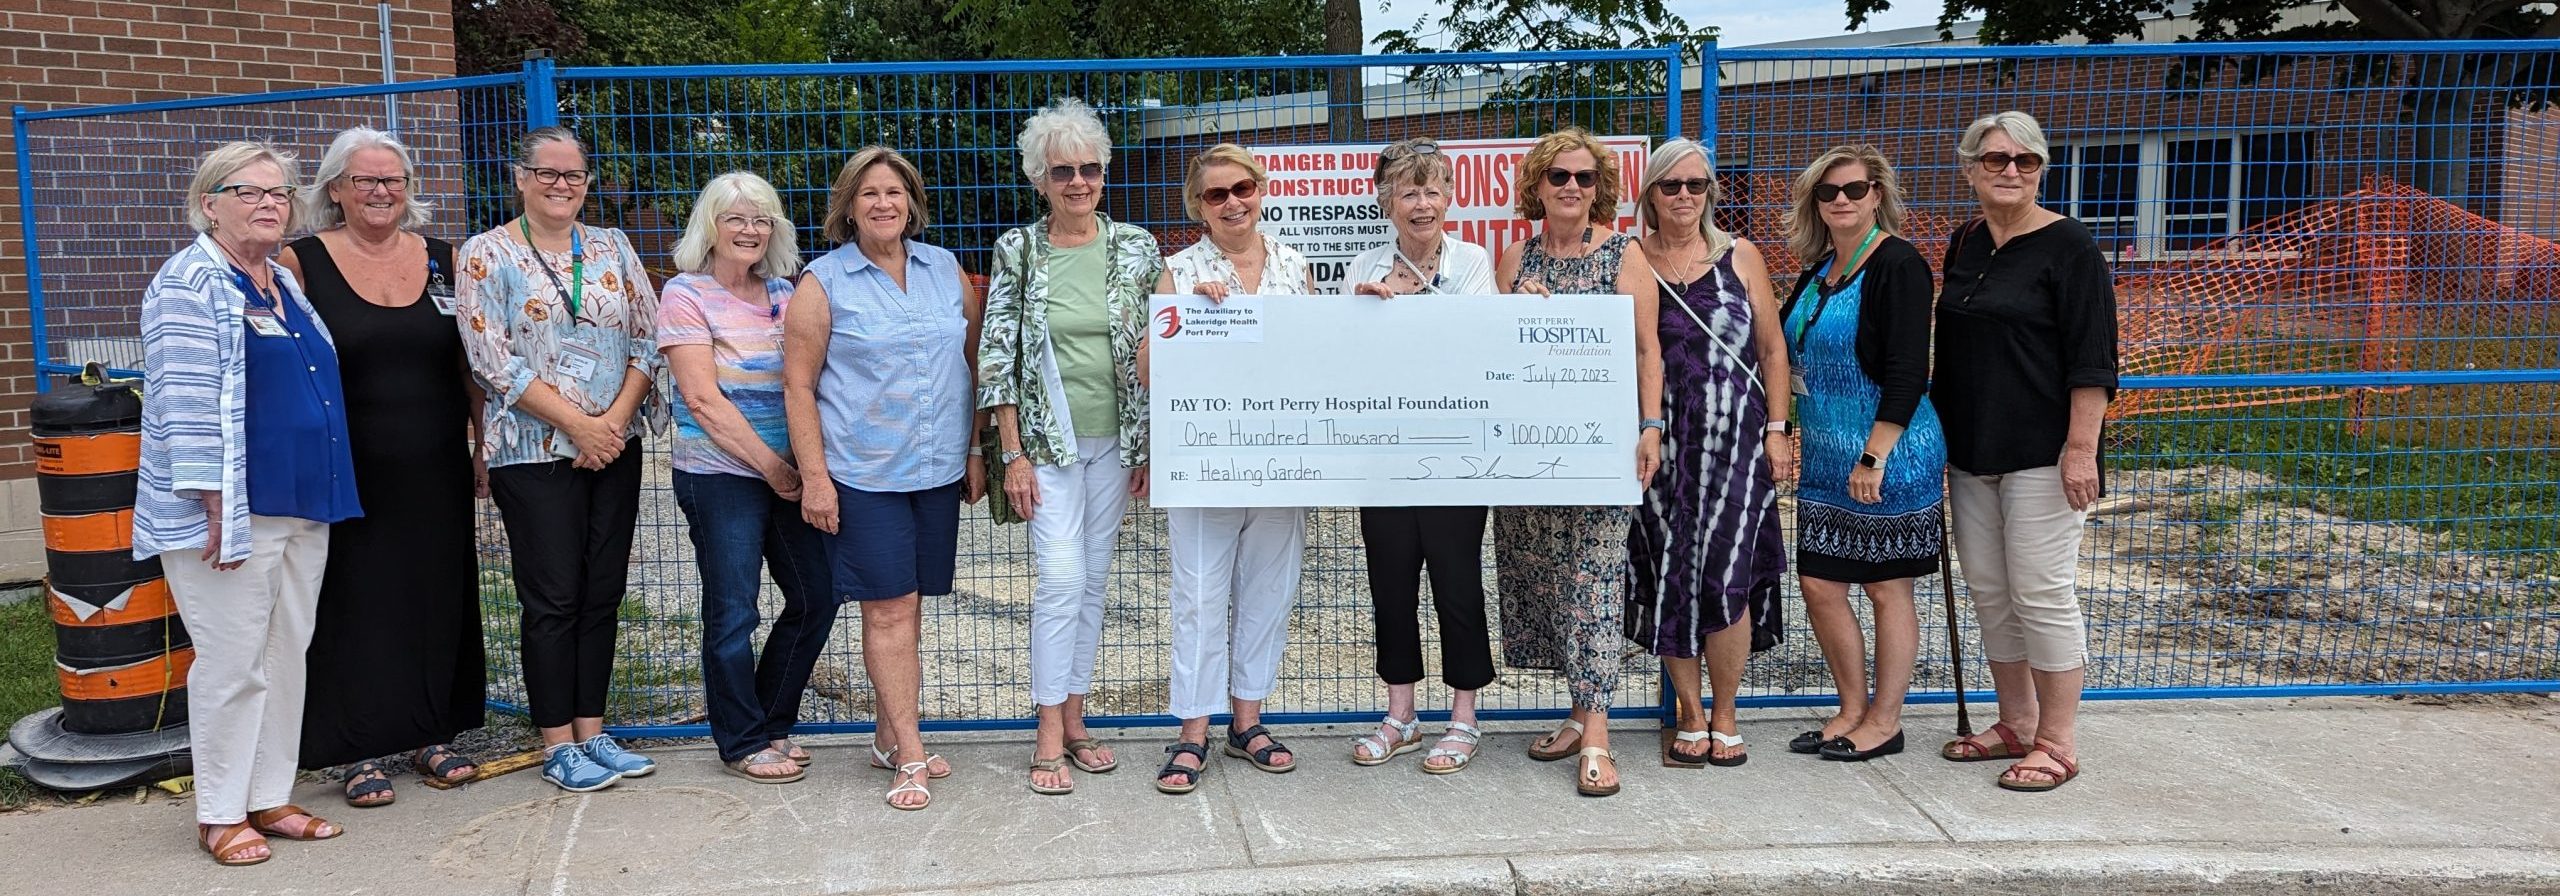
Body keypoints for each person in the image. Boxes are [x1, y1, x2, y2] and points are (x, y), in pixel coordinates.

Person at [136, 140, 358, 865]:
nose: (271, 203)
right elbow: (184, 404)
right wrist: (210, 501)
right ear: (210, 204)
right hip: (230, 510)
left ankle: (270, 795)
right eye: (250, 192)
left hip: (302, 500)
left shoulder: (278, 282)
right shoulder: (189, 281)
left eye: (281, 193)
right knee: (233, 662)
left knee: (286, 652)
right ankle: (219, 812)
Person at [278, 127, 485, 808]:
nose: (379, 192)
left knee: (435, 590)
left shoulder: (443, 260)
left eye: (392, 179)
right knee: (354, 599)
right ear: (335, 188)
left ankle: (432, 732)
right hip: (344, 465)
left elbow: (470, 366)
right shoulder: (299, 261)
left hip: (435, 460)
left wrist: (482, 446)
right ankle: (359, 747)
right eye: (364, 180)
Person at [455, 126, 667, 793]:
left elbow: (648, 337)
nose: (560, 185)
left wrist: (612, 424)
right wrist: (579, 425)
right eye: (546, 173)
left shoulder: (612, 246)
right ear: (521, 178)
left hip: (613, 445)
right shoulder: (485, 254)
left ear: (586, 182)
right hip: (533, 451)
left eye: (573, 175)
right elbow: (491, 360)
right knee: (553, 598)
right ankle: (556, 743)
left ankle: (592, 729)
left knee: (601, 592)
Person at [783, 147, 987, 810]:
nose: (882, 204)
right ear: (849, 205)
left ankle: (884, 735)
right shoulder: (824, 281)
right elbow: (799, 384)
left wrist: (976, 450)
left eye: (893, 192)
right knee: (889, 607)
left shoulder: (945, 271)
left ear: (911, 202)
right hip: (863, 474)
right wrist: (814, 476)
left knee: (911, 605)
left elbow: (972, 361)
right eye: (868, 193)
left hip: (933, 470)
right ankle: (909, 751)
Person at [978, 97, 1165, 796]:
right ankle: (1048, 732)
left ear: (1104, 173)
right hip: (1047, 447)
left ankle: (1077, 719)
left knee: (1090, 582)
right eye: (1064, 172)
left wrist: (1148, 447)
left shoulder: (1138, 248)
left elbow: (1166, 333)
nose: (1079, 182)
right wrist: (1012, 453)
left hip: (1117, 447)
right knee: (1059, 580)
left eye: (1089, 169)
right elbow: (997, 354)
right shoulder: (1018, 250)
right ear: (1040, 179)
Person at [1934, 111, 2118, 792]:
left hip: (2044, 452)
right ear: (1970, 168)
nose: (2011, 171)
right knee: (1991, 591)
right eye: (1995, 159)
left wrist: (2081, 451)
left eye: (2026, 160)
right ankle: (2014, 721)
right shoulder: (1966, 242)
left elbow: (2094, 361)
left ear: (2042, 169)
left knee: (2041, 591)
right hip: (1971, 449)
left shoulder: (2070, 247)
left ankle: (2057, 740)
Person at [1492, 127, 1664, 797]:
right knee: (1551, 584)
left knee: (1595, 583)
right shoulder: (1513, 260)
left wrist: (1650, 427)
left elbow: (1647, 350)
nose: (1571, 187)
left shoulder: (1624, 255)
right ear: (1536, 185)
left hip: (1602, 452)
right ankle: (1575, 711)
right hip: (1529, 455)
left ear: (1602, 189)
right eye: (1559, 176)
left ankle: (1597, 734)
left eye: (1584, 178)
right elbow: (1493, 354)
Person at [1140, 144, 1311, 795]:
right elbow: (1150, 373)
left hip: (1283, 457)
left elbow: (1317, 358)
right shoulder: (1179, 272)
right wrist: (1188, 321)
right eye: (1217, 195)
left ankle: (1248, 721)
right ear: (1199, 207)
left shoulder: (1295, 265)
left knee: (1269, 590)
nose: (1233, 202)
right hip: (1206, 460)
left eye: (1242, 188)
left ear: (1261, 189)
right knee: (1200, 596)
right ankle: (1192, 730)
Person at [660, 171, 834, 789]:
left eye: (761, 218)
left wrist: (804, 470)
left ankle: (769, 720)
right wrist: (776, 469)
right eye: (735, 218)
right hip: (722, 475)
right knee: (734, 612)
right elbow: (703, 401)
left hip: (790, 473)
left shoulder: (788, 292)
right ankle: (740, 740)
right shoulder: (685, 295)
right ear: (710, 224)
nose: (749, 230)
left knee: (817, 595)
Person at [1775, 145, 1947, 764]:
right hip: (1824, 454)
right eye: (1828, 193)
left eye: (1853, 189)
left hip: (1889, 452)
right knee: (1820, 582)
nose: (1841, 200)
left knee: (1885, 587)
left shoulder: (1898, 265)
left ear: (1877, 194)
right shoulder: (1817, 269)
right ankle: (1850, 708)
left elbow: (1907, 372)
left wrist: (1873, 457)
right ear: (1814, 203)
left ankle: (1885, 719)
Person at [1626, 138, 1794, 769]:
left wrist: (1778, 428)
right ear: (1650, 194)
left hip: (1737, 445)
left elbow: (1773, 350)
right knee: (1672, 569)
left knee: (1729, 571)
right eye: (1671, 187)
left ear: (1711, 192)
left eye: (1696, 185)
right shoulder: (1634, 258)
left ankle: (1726, 711)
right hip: (1662, 445)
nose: (1685, 197)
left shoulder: (1741, 256)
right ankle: (1689, 714)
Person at [1340, 137, 1500, 774]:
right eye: (1409, 191)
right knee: (1391, 584)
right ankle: (1400, 713)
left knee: (1458, 584)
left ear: (1450, 197)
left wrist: (1416, 297)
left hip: (1457, 451)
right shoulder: (1362, 267)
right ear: (1386, 201)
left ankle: (1464, 717)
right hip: (1384, 452)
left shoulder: (1474, 262)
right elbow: (1346, 359)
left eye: (1433, 189)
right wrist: (1366, 315)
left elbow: (1477, 341)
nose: (1422, 203)